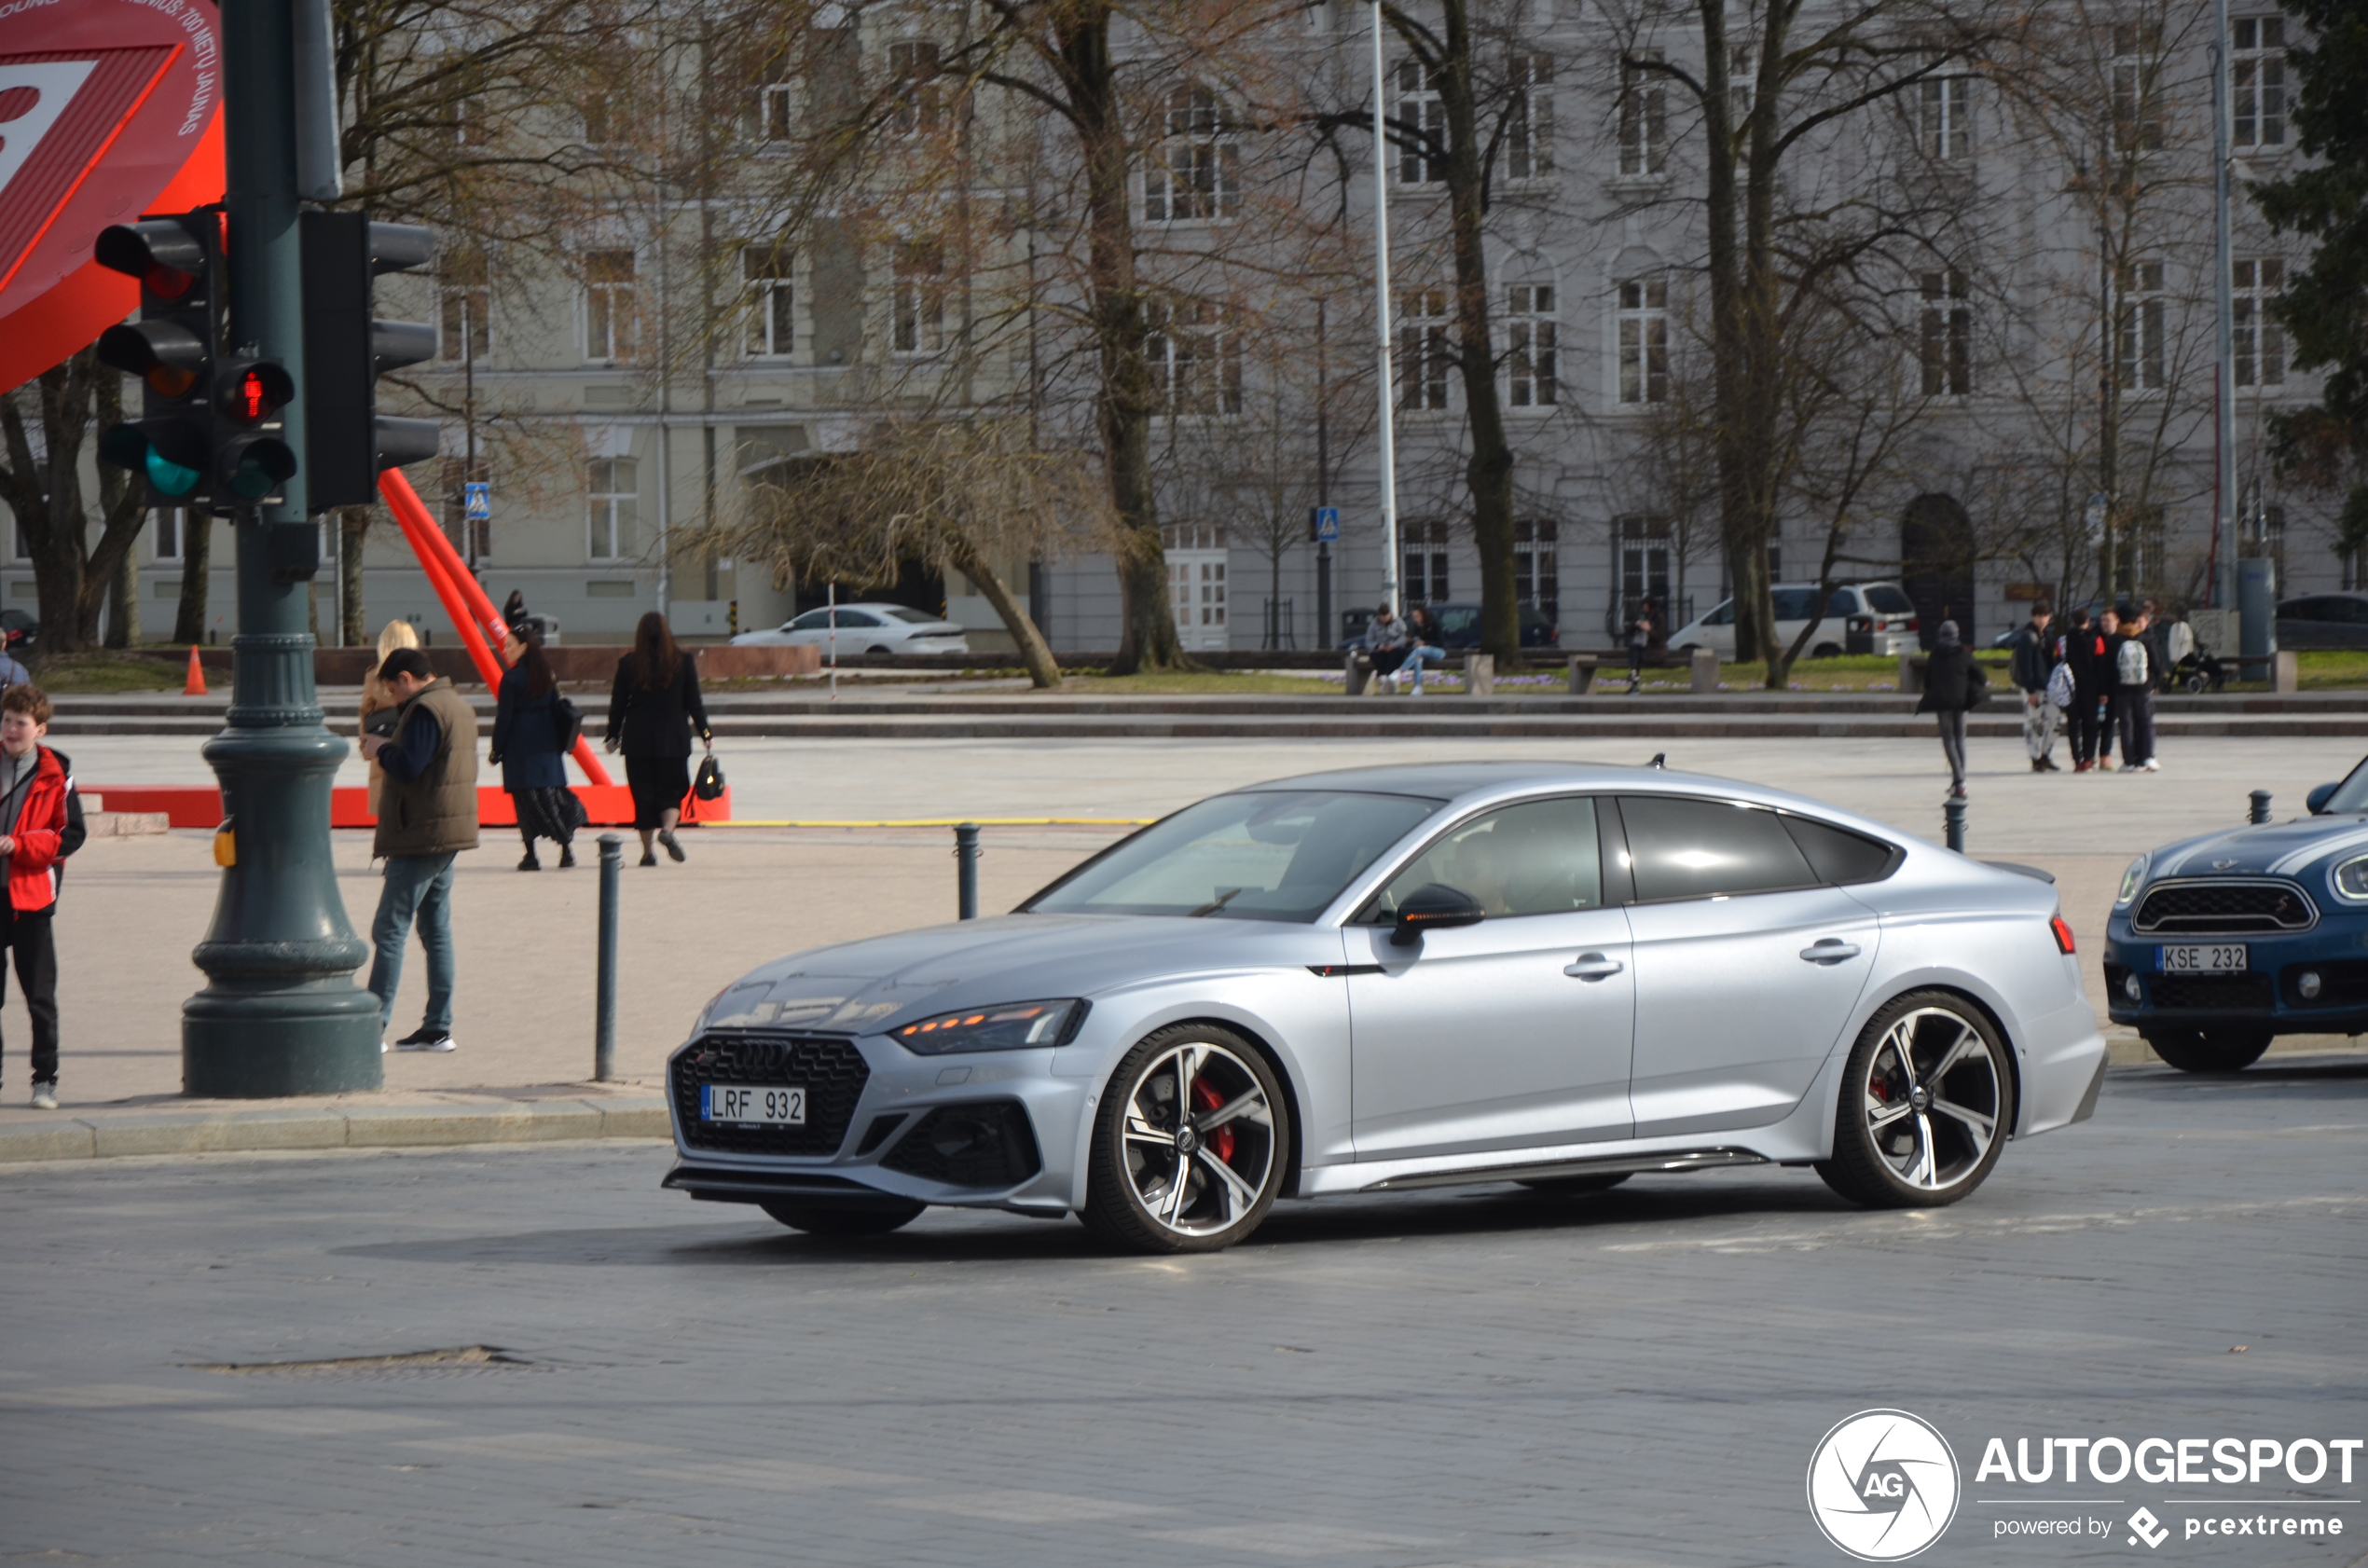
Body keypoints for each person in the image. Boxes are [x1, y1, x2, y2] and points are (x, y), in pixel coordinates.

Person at [358, 646, 479, 1052]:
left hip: (421, 832)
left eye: (393, 690)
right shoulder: (457, 705)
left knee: (389, 929)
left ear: (407, 679)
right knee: (435, 928)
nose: (393, 699)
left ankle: (372, 1029)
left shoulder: (426, 710)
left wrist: (381, 749)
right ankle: (437, 1027)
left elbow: (411, 765)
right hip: (445, 830)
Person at [0, 686, 69, 1109]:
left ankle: (45, 1080)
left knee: (40, 997)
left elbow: (68, 835)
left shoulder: (56, 772)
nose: (10, 729)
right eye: (6, 720)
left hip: (31, 900)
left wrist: (18, 846)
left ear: (39, 729)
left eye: (20, 723)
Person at [607, 611, 711, 866]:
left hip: (638, 740)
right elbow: (694, 702)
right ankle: (668, 831)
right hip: (673, 739)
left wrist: (613, 734)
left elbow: (618, 704)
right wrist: (706, 733)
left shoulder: (628, 663)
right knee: (671, 793)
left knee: (642, 796)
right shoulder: (683, 662)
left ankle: (648, 853)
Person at [489, 629, 578, 871]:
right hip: (547, 742)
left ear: (524, 647)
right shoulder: (545, 674)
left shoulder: (511, 679)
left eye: (509, 645)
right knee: (551, 797)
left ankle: (531, 855)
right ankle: (566, 849)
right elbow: (556, 706)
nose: (505, 650)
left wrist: (496, 749)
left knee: (524, 800)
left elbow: (504, 718)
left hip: (520, 744)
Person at [358, 619, 422, 816]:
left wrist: (365, 747)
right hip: (412, 742)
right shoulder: (420, 675)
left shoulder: (374, 676)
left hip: (382, 742)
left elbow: (365, 713)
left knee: (387, 812)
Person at [1917, 620, 1987, 798]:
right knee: (1960, 740)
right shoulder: (1964, 654)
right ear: (1957, 635)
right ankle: (1960, 782)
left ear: (1941, 636)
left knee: (1948, 740)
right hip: (1961, 702)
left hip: (1942, 704)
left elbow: (1927, 679)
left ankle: (1959, 781)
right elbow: (1981, 676)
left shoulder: (1935, 655)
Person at [2009, 600, 2060, 773]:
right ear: (2033, 617)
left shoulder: (2047, 636)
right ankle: (2034, 757)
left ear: (2049, 618)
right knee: (2032, 722)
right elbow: (2025, 666)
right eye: (2038, 616)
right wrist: (2030, 691)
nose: (2042, 620)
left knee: (2054, 720)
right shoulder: (2027, 637)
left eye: (2045, 616)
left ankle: (2045, 755)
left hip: (2048, 687)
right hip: (2033, 688)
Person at [2059, 608, 2107, 771]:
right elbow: (2101, 667)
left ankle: (2077, 759)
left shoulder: (2064, 641)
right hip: (2091, 688)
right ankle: (2089, 758)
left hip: (2070, 688)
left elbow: (2057, 661)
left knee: (2073, 724)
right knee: (2090, 724)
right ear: (2088, 622)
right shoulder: (2096, 640)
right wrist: (2103, 691)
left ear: (2073, 622)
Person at [2115, 606, 2159, 772]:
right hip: (2143, 687)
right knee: (2146, 721)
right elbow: (2156, 663)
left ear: (2118, 620)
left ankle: (2129, 761)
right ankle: (2148, 757)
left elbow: (2108, 667)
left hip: (2122, 689)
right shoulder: (2145, 639)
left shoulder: (2115, 639)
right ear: (2135, 620)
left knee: (2126, 724)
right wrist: (2153, 684)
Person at [1399, 604, 1449, 694]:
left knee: (1420, 650)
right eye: (1414, 617)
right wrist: (1411, 641)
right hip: (1424, 652)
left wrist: (1425, 643)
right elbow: (1417, 640)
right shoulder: (1417, 627)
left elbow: (1441, 643)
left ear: (1423, 615)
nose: (1415, 619)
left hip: (1438, 651)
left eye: (1417, 616)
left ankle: (1400, 671)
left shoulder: (1435, 624)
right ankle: (1418, 687)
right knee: (1418, 659)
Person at [1361, 604, 1410, 695]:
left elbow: (1403, 638)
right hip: (1380, 649)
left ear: (1389, 615)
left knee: (1396, 655)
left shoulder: (1398, 622)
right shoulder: (1373, 624)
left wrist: (1393, 645)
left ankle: (1384, 676)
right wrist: (1379, 646)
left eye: (1385, 617)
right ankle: (1384, 677)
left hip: (1394, 648)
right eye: (1381, 618)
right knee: (1377, 656)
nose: (1383, 620)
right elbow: (1369, 641)